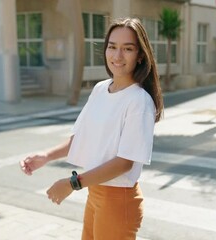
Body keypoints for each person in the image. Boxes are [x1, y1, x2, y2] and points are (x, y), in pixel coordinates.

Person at [20, 17, 163, 240]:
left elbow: (125, 162)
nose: (117, 56)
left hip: (118, 201)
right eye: (112, 47)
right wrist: (46, 156)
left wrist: (72, 183)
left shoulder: (139, 101)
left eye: (127, 49)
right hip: (95, 193)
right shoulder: (100, 89)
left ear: (140, 55)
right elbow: (82, 137)